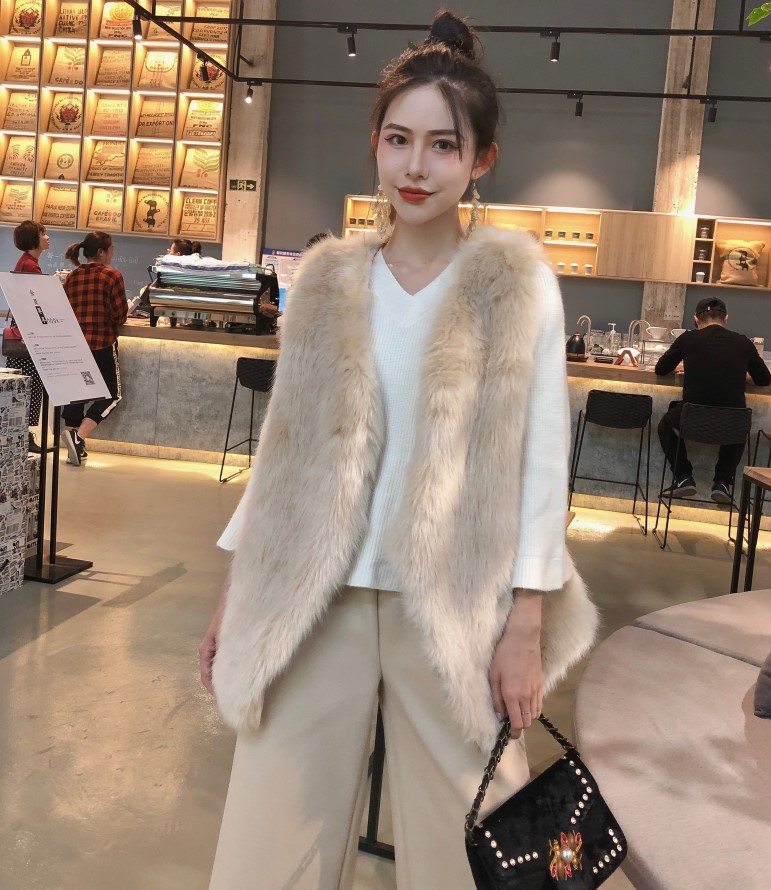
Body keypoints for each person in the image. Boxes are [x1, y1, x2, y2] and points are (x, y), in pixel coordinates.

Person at [200, 12, 598, 889]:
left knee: (469, 845)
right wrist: (239, 590)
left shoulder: (516, 285)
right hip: (315, 594)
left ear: (481, 159)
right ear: (375, 144)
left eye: (443, 146)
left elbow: (540, 462)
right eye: (398, 139)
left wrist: (526, 623)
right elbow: (287, 451)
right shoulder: (327, 280)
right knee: (269, 844)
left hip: (454, 597)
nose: (416, 167)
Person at [655, 296, 771, 502]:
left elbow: (661, 369)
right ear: (725, 318)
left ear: (696, 319)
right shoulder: (744, 342)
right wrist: (741, 373)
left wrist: (685, 365)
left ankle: (683, 477)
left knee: (665, 425)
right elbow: (764, 379)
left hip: (692, 421)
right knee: (738, 424)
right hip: (730, 424)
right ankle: (723, 482)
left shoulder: (688, 339)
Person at [60, 232, 128, 467]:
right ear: (101, 252)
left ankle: (74, 448)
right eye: (111, 249)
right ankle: (78, 437)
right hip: (102, 343)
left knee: (76, 394)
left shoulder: (72, 277)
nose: (113, 253)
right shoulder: (112, 276)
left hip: (75, 344)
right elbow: (120, 316)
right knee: (113, 395)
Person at [8, 220, 49, 452]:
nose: (47, 237)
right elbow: (38, 303)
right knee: (29, 385)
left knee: (24, 386)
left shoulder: (26, 262)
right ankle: (24, 436)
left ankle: (22, 435)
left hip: (23, 331)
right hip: (29, 333)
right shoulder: (31, 266)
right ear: (35, 239)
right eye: (43, 233)